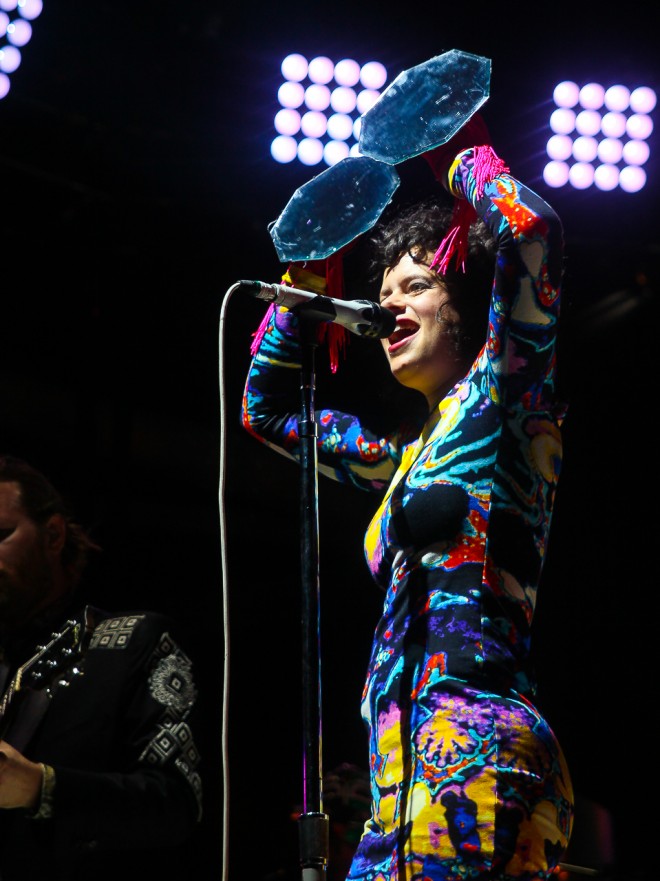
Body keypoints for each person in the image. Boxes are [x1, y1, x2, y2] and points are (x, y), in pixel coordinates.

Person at [241, 107, 574, 881]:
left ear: (464, 302)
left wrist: (455, 154)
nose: (390, 306)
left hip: (475, 747)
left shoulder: (505, 405)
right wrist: (308, 280)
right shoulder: (402, 459)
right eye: (383, 291)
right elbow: (266, 414)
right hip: (401, 778)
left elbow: (532, 231)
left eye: (416, 285)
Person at [0, 454, 203, 881]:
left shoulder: (135, 640)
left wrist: (41, 786)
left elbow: (178, 803)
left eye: (1, 534)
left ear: (53, 535)